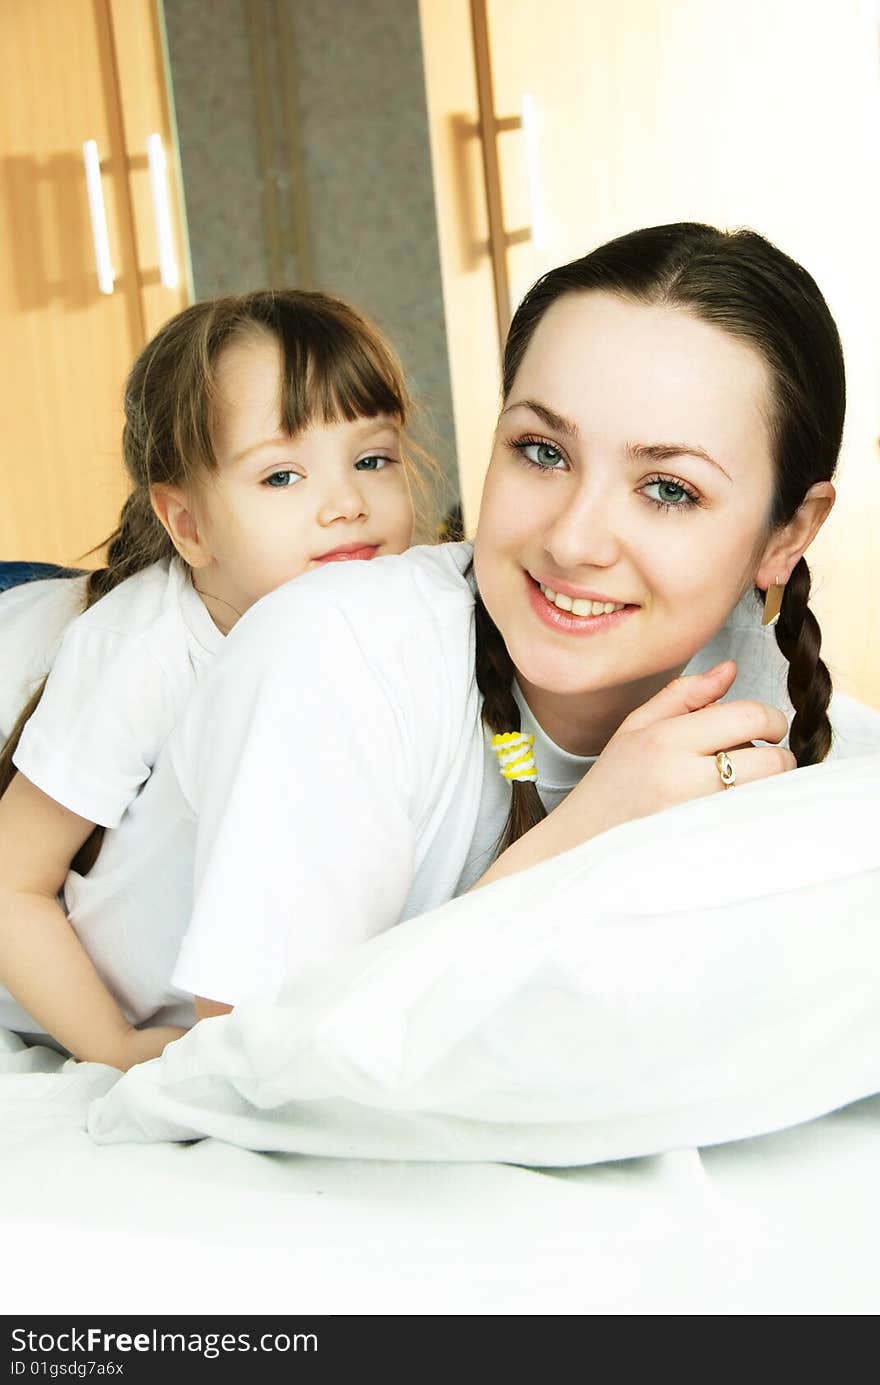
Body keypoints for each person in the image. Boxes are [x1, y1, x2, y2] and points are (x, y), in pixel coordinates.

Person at [0, 222, 843, 1037]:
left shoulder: (746, 668)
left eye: (669, 488)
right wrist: (585, 828)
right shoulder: (298, 643)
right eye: (543, 451)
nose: (572, 540)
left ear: (788, 536)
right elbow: (252, 1068)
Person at [0, 288, 426, 1065]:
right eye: (281, 477)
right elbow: (9, 885)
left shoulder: (407, 618)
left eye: (373, 459)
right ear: (188, 525)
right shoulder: (140, 653)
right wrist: (116, 1046)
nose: (347, 504)